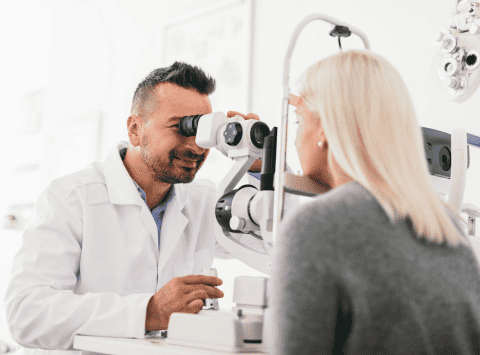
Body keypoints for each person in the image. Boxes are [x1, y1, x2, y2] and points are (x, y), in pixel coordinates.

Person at [4, 62, 264, 355]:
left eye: (202, 129)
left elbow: (282, 246)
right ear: (135, 129)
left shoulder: (203, 201)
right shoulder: (70, 198)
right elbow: (26, 313)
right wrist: (149, 311)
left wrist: (260, 168)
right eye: (181, 127)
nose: (196, 146)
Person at [270, 49, 480, 354]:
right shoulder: (448, 225)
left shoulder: (316, 227)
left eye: (300, 120)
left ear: (324, 128)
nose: (294, 137)